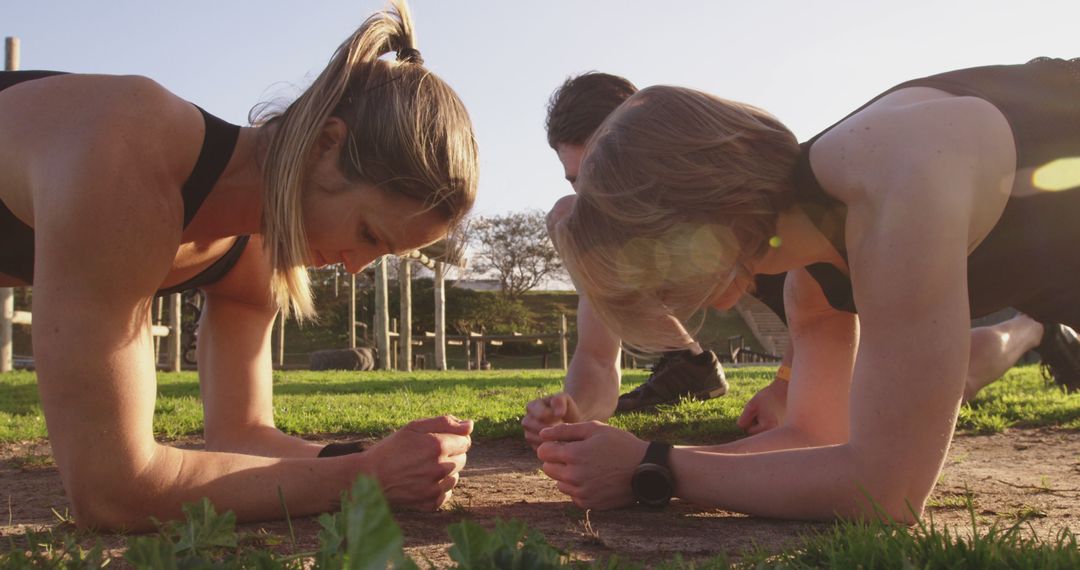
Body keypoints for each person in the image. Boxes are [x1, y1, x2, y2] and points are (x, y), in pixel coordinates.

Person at [0, 0, 477, 530]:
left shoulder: (252, 258)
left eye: (382, 255)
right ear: (324, 145)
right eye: (368, 233)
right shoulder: (130, 158)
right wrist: (363, 478)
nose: (354, 267)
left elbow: (241, 436)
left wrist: (375, 460)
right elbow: (112, 490)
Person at [538, 58, 1080, 520]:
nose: (667, 294)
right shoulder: (812, 269)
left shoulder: (892, 185)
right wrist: (644, 457)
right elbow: (814, 437)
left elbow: (888, 490)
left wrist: (656, 467)